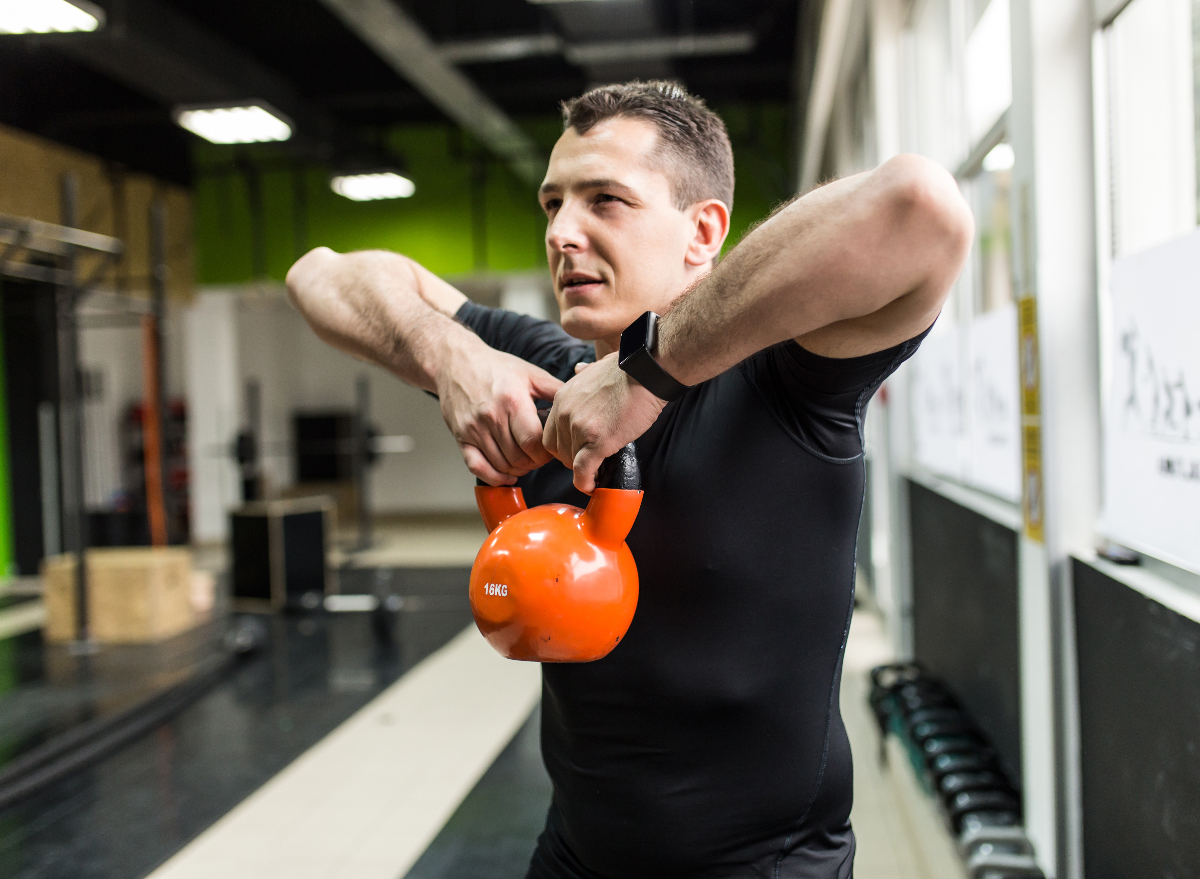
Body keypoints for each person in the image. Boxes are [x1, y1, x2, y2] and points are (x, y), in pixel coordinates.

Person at [287, 81, 972, 879]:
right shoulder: (548, 368)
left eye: (605, 200)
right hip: (577, 857)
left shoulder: (792, 379)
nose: (562, 233)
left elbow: (920, 207)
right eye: (552, 205)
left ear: (702, 231)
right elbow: (321, 274)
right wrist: (449, 356)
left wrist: (646, 371)